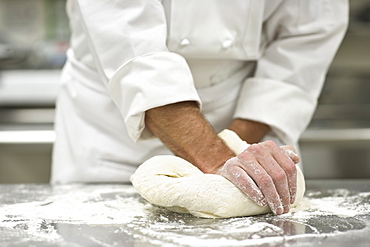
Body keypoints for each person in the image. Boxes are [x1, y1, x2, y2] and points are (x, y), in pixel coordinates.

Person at [51, 0, 348, 215]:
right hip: (110, 122)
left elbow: (308, 34)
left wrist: (239, 147)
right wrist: (218, 159)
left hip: (240, 104)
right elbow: (132, 47)